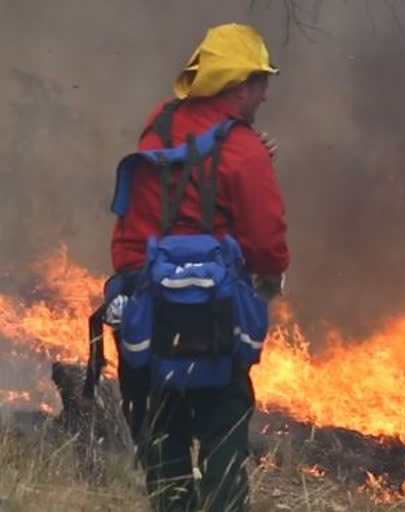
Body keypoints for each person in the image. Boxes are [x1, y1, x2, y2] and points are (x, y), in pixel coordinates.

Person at [104, 23, 289, 511]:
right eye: (260, 83)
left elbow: (142, 210)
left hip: (147, 317)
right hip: (217, 326)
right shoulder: (245, 150)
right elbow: (268, 246)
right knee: (223, 439)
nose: (265, 95)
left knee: (163, 443)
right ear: (237, 83)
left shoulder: (160, 123)